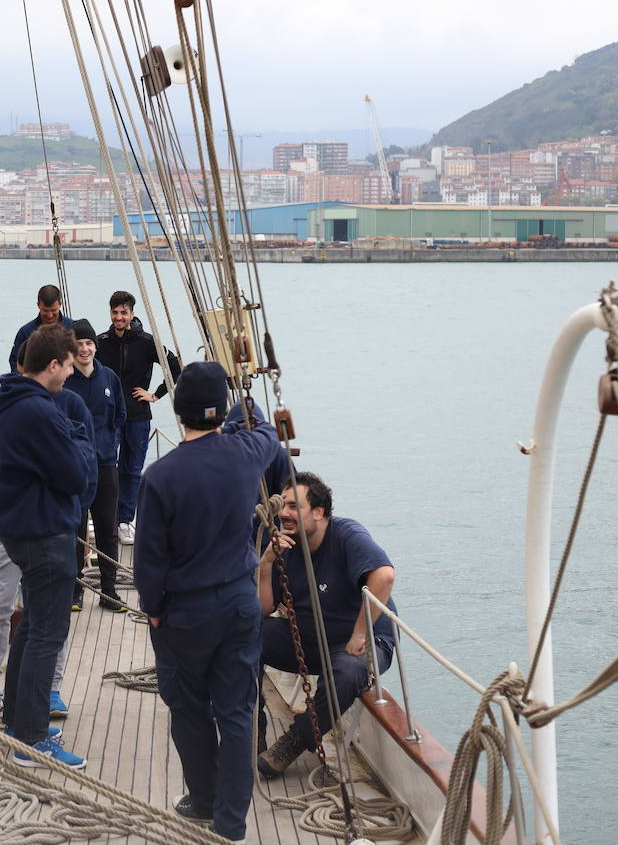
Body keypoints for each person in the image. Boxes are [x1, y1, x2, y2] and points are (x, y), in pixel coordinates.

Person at [133, 361, 283, 842]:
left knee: (189, 707)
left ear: (177, 411)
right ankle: (231, 822)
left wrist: (153, 607)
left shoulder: (160, 476)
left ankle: (201, 797)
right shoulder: (247, 453)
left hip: (186, 612)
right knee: (236, 710)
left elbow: (149, 560)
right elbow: (264, 431)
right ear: (221, 412)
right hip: (239, 602)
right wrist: (244, 396)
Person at [0, 324, 94, 768]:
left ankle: (17, 719)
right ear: (52, 365)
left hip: (19, 530)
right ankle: (30, 739)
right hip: (44, 534)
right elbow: (75, 475)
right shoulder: (40, 412)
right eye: (67, 366)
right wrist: (81, 439)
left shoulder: (9, 401)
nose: (70, 374)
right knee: (49, 632)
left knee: (31, 627)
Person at [256, 472, 398, 780]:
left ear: (319, 512)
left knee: (349, 670)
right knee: (245, 636)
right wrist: (266, 564)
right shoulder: (284, 543)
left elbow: (384, 577)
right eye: (283, 506)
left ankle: (296, 739)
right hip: (308, 639)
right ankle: (252, 726)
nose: (283, 513)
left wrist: (361, 633)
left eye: (294, 506)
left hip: (358, 641)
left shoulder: (347, 536)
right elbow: (264, 608)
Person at [96, 290, 181, 545]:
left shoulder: (146, 342)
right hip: (110, 416)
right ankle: (108, 517)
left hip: (137, 414)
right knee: (107, 468)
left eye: (124, 312)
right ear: (110, 313)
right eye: (115, 312)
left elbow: (175, 367)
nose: (119, 317)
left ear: (131, 314)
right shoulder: (100, 342)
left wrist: (155, 394)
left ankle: (124, 521)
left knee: (132, 469)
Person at [62, 318, 126, 612]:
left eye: (89, 343)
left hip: (104, 465)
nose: (85, 349)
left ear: (95, 347)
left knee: (107, 528)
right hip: (74, 467)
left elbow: (120, 416)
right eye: (79, 344)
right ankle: (75, 591)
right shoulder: (64, 380)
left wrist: (108, 443)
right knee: (75, 530)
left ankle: (109, 591)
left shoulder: (109, 378)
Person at [7, 284, 73, 373]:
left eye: (53, 310)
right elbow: (15, 361)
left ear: (60, 304)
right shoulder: (25, 332)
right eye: (45, 311)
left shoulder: (72, 328)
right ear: (38, 305)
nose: (50, 315)